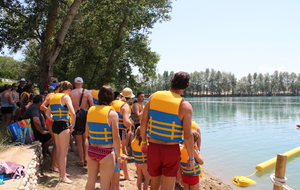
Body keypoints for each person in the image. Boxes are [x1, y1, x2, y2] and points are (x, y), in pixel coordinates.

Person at [140, 71, 195, 190]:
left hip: (153, 147)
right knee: (168, 187)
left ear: (172, 82)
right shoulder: (185, 106)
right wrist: (191, 158)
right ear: (186, 87)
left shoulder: (154, 97)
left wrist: (144, 142)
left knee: (154, 184)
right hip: (171, 150)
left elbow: (143, 122)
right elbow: (188, 136)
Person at [85, 85, 121, 190]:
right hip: (106, 152)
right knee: (104, 185)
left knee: (90, 181)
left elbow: (87, 132)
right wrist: (118, 156)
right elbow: (116, 138)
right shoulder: (112, 114)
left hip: (92, 150)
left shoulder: (91, 110)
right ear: (111, 97)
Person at [45, 81, 75, 184]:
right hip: (63, 125)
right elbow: (73, 113)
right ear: (68, 90)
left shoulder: (53, 97)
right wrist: (73, 125)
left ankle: (62, 173)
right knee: (63, 153)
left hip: (55, 125)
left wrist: (53, 119)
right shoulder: (66, 97)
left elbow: (47, 112)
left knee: (58, 151)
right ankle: (63, 176)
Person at [70, 77, 93, 167]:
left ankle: (81, 160)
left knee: (78, 141)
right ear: (82, 83)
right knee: (85, 138)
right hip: (85, 116)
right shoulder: (87, 92)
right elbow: (92, 105)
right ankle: (87, 157)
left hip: (75, 116)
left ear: (74, 83)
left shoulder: (71, 93)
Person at [112, 88, 135, 181]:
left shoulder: (112, 102)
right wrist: (131, 125)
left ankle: (117, 170)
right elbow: (126, 122)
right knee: (123, 152)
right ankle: (127, 175)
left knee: (114, 151)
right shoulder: (124, 106)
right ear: (129, 98)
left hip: (111, 130)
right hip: (121, 131)